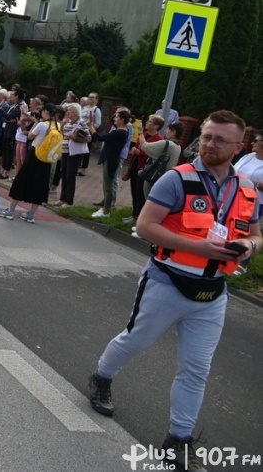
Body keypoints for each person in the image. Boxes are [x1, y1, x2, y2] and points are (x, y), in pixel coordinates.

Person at [88, 110, 261, 472]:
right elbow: (146, 227)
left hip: (212, 293)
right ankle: (102, 376)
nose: (208, 145)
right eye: (207, 137)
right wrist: (202, 249)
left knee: (197, 369)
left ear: (238, 146)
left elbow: (257, 233)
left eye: (219, 140)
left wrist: (249, 246)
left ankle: (177, 439)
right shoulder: (177, 179)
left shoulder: (246, 189)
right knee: (135, 340)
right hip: (167, 281)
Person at [0, 103, 56, 223]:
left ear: (45, 112)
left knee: (21, 180)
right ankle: (31, 214)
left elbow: (30, 136)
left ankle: (10, 210)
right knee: (40, 184)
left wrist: (35, 122)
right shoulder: (57, 126)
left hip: (35, 155)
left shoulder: (41, 124)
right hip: (47, 158)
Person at [88, 109, 130, 218]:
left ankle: (106, 210)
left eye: (117, 117)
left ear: (122, 119)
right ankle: (105, 208)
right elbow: (113, 123)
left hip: (110, 159)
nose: (114, 118)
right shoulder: (122, 130)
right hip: (111, 158)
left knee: (108, 186)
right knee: (108, 184)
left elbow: (100, 138)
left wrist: (91, 126)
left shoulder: (118, 132)